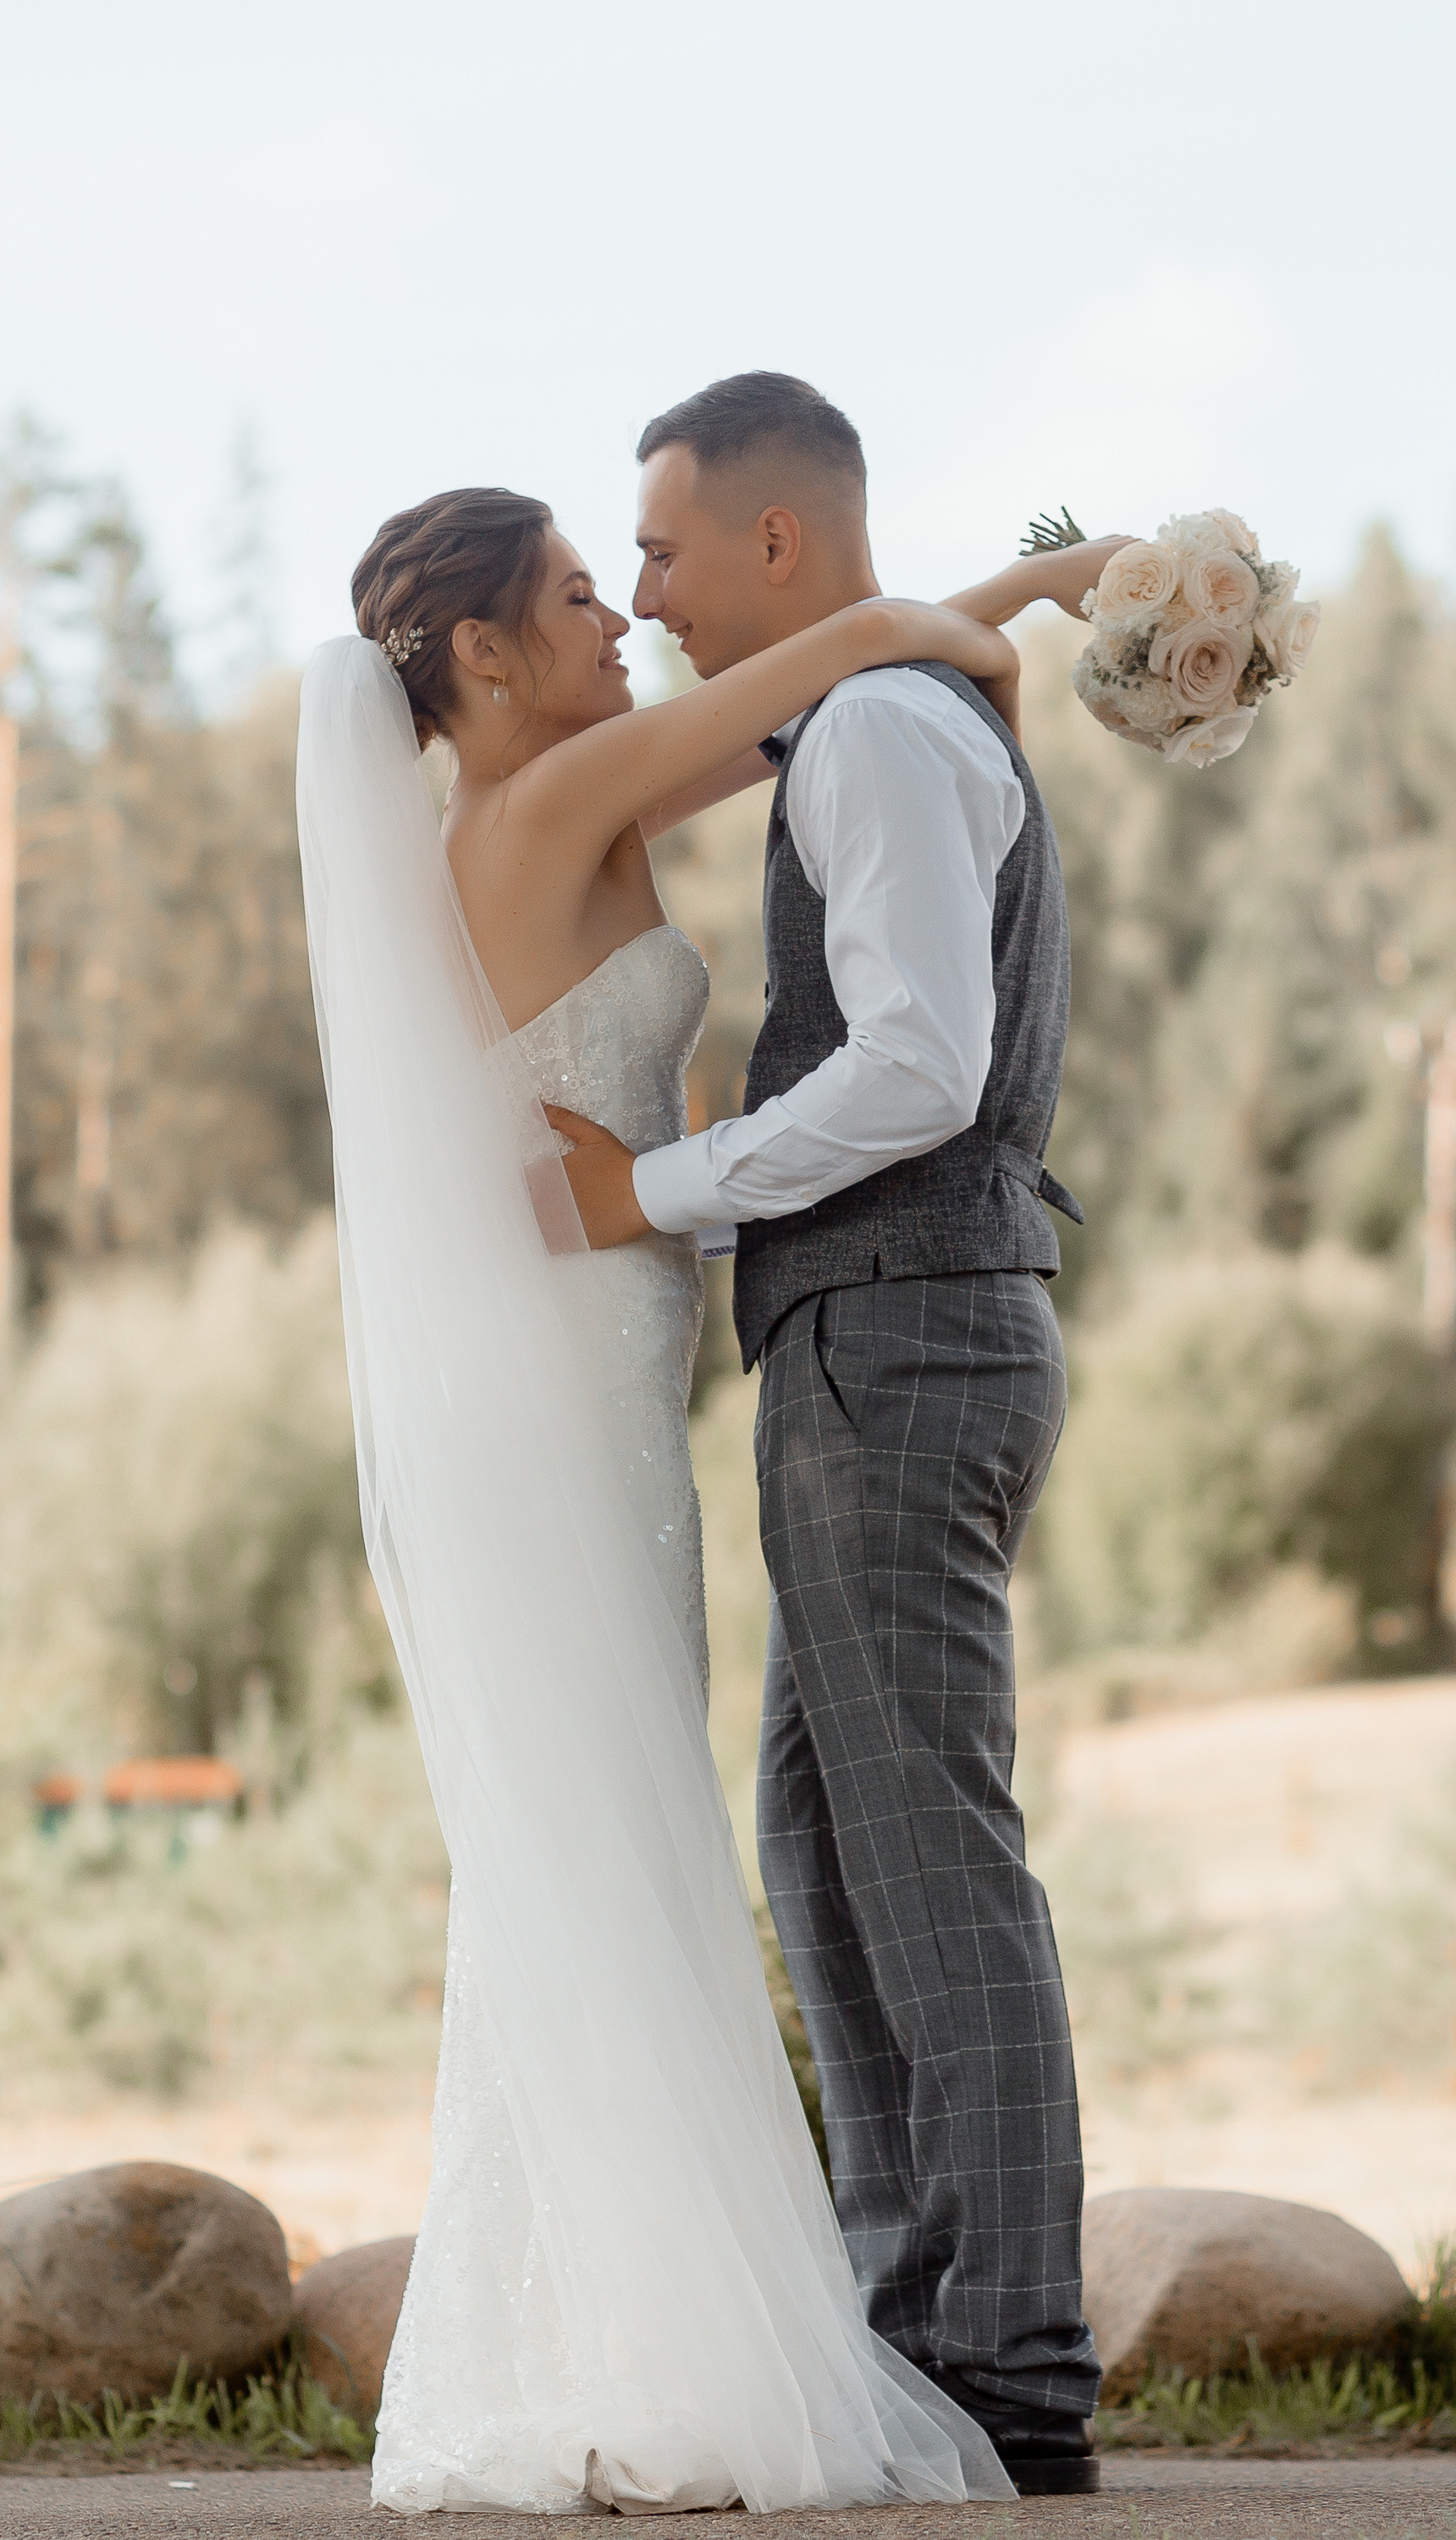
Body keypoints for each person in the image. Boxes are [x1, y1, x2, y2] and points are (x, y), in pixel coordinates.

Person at [295, 463, 1116, 2511]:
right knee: (623, 1837)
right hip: (577, 1393)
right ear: (477, 654)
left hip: (589, 1379)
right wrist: (1058, 577)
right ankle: (667, 2355)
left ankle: (605, 2336)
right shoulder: (546, 803)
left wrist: (999, 605)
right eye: (579, 594)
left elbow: (827, 687)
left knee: (597, 1840)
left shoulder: (516, 816)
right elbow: (823, 662)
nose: (617, 620)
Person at [552, 372, 1117, 2495]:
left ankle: (1011, 2374)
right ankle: (925, 2340)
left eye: (668, 550)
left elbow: (915, 1071)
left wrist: (655, 1193)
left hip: (895, 1335)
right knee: (834, 1850)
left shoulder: (876, 731)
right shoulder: (880, 707)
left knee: (925, 1857)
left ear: (776, 546)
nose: (645, 588)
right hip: (886, 1334)